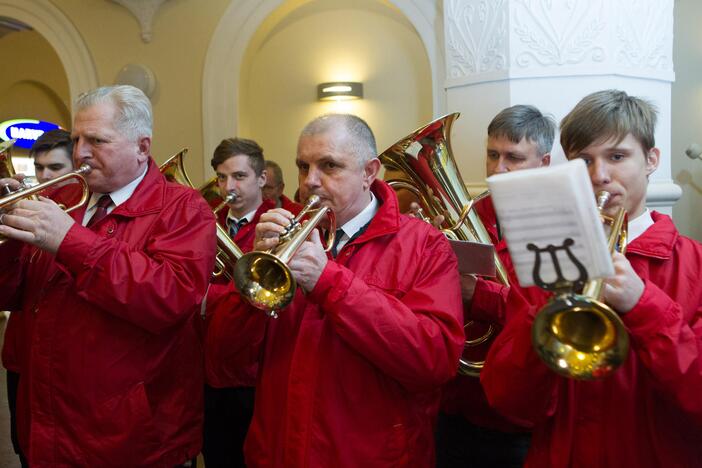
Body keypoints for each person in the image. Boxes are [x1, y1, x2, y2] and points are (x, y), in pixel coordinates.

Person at [206, 113, 465, 466]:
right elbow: (224, 359)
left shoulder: (425, 244)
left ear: (369, 172)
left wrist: (327, 280)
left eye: (329, 166)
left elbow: (433, 361)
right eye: (303, 166)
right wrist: (251, 277)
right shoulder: (279, 235)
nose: (310, 181)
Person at [481, 89, 702, 467]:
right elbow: (509, 400)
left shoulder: (694, 264)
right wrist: (545, 311)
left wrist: (643, 305)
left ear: (651, 160)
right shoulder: (547, 260)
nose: (599, 176)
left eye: (617, 157)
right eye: (584, 160)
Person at [0, 85, 216, 466]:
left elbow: (170, 299)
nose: (80, 152)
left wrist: (69, 240)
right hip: (50, 428)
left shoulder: (186, 209)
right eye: (78, 138)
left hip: (134, 443)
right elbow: (10, 297)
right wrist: (9, 241)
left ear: (142, 147)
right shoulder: (63, 200)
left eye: (97, 140)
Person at [436, 105, 554, 468]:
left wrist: (478, 294)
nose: (498, 168)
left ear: (544, 163)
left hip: (517, 418)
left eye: (514, 158)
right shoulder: (466, 216)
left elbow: (545, 318)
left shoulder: (557, 224)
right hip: (456, 404)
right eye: (492, 154)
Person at [203, 137, 283, 468]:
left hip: (256, 370)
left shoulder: (280, 222)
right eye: (221, 178)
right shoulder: (208, 222)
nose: (227, 187)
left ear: (262, 179)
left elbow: (270, 293)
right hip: (209, 365)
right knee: (217, 454)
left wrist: (210, 298)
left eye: (238, 176)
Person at [1, 129, 77, 468]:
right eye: (40, 168)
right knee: (25, 445)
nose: (45, 177)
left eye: (56, 168)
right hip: (20, 354)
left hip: (60, 360)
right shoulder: (27, 206)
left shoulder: (80, 215)